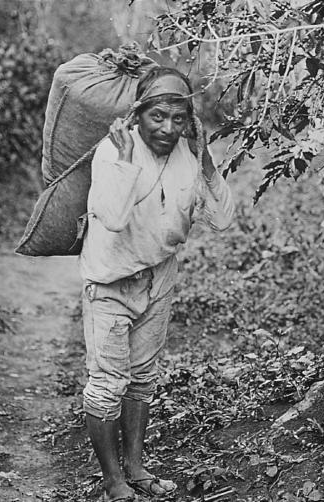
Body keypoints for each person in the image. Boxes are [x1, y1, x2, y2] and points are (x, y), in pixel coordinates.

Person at [78, 66, 235, 502]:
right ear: (138, 114)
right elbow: (111, 217)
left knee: (142, 379)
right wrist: (127, 162)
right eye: (158, 117)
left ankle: (136, 467)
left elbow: (222, 219)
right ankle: (114, 482)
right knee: (108, 382)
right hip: (111, 281)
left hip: (159, 277)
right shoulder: (113, 152)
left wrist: (204, 158)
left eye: (179, 118)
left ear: (190, 120)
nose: (168, 128)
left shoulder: (188, 155)